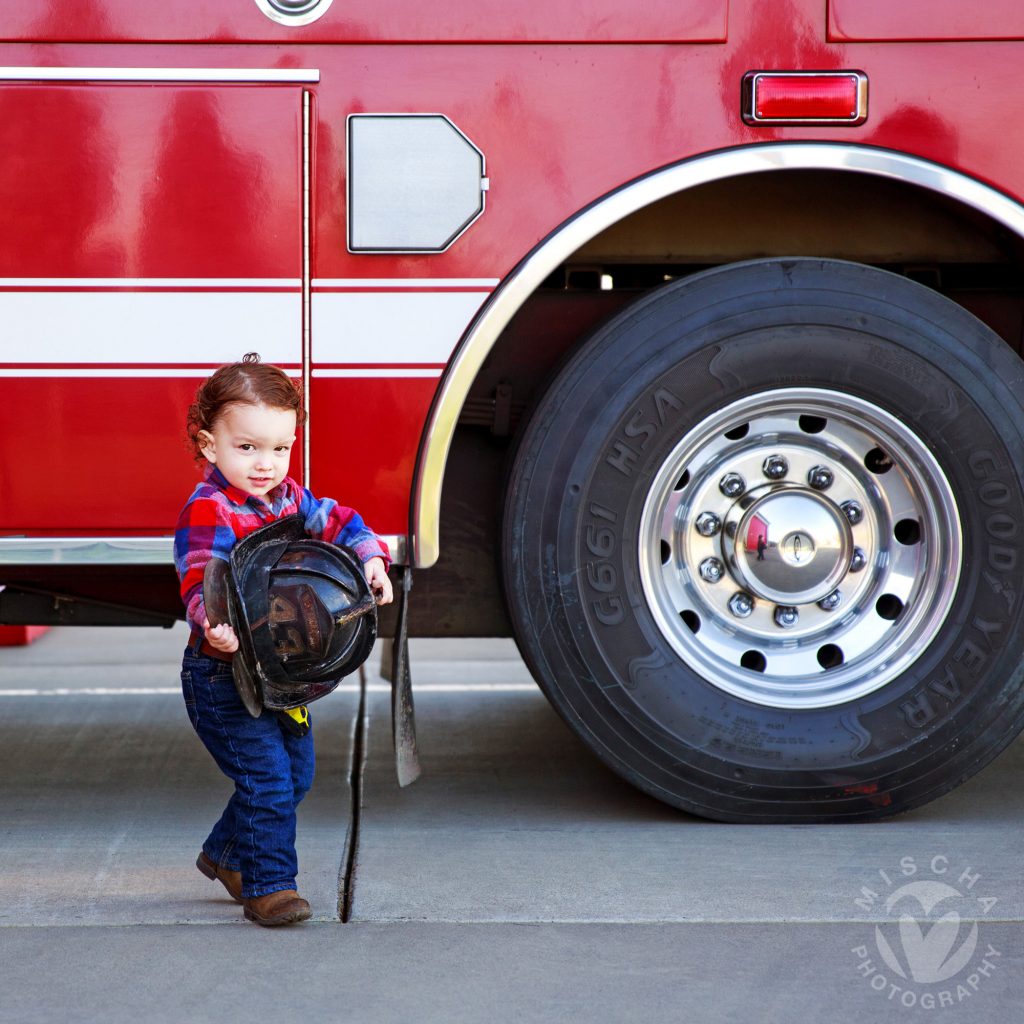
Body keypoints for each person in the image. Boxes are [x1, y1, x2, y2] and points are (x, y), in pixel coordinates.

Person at [174, 353, 392, 926]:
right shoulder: (211, 509)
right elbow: (200, 576)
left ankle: (225, 855)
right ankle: (269, 887)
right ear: (208, 445)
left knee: (295, 774)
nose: (265, 463)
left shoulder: (291, 499)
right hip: (223, 675)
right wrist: (212, 624)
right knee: (267, 780)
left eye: (280, 448)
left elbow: (341, 521)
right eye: (247, 447)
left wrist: (370, 558)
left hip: (279, 671)